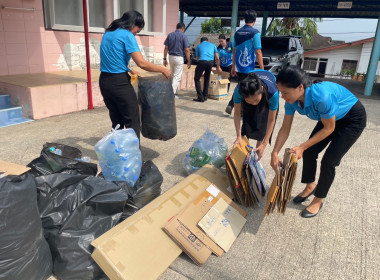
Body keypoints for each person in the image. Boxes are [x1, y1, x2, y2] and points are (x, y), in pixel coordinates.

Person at [271, 66, 366, 218]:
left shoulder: (321, 97)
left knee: (329, 161)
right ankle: (310, 186)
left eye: (285, 92)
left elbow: (329, 128)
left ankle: (318, 199)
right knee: (309, 151)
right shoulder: (291, 101)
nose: (282, 96)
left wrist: (301, 146)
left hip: (351, 119)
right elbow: (285, 127)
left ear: (300, 87)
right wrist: (274, 152)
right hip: (328, 117)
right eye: (281, 92)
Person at [99, 11, 171, 140]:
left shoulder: (108, 34)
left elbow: (113, 58)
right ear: (132, 24)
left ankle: (118, 152)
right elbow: (142, 63)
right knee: (133, 120)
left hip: (104, 82)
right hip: (119, 83)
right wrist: (162, 69)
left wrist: (129, 69)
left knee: (117, 122)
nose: (135, 34)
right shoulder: (127, 35)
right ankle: (134, 157)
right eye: (136, 31)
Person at [233, 70, 279, 160]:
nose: (254, 104)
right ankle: (243, 154)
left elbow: (271, 120)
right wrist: (238, 136)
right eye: (249, 101)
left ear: (261, 89)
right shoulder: (239, 90)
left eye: (255, 100)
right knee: (247, 124)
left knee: (262, 124)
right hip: (253, 87)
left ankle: (256, 155)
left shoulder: (273, 93)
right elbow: (237, 114)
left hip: (265, 95)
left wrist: (264, 144)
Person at [226, 10, 264, 115]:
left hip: (238, 67)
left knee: (241, 85)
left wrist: (233, 67)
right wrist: (262, 69)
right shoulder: (255, 33)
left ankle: (231, 104)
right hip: (249, 67)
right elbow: (258, 51)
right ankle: (242, 111)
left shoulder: (237, 33)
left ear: (244, 19)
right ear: (255, 20)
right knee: (247, 89)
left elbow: (234, 51)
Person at [163, 23, 191, 99]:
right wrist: (189, 61)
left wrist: (164, 59)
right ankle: (171, 94)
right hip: (179, 58)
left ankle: (174, 92)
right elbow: (187, 50)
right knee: (177, 76)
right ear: (183, 29)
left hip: (171, 57)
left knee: (173, 75)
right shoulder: (183, 36)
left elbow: (166, 48)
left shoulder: (170, 35)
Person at [193, 37, 222, 102]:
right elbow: (217, 58)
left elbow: (197, 59)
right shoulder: (213, 45)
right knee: (207, 77)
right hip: (211, 62)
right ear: (207, 41)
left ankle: (200, 97)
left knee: (196, 79)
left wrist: (201, 69)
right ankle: (205, 96)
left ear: (200, 41)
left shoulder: (198, 47)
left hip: (202, 61)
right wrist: (218, 66)